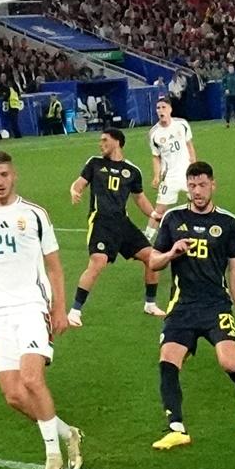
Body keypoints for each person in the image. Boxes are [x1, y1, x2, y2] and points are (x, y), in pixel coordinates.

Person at [0, 151, 82, 469]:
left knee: (31, 378)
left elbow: (54, 265)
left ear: (15, 176)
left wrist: (58, 307)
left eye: (4, 175)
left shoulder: (34, 214)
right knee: (14, 395)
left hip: (32, 306)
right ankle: (68, 433)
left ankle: (52, 454)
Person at [148, 161, 235, 449]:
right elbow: (153, 262)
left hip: (215, 306)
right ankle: (176, 427)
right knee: (168, 360)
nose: (197, 191)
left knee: (229, 362)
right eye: (193, 186)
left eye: (202, 185)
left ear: (213, 185)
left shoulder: (228, 223)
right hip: (182, 306)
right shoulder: (173, 219)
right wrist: (171, 252)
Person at [67, 128, 166, 326]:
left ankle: (150, 304)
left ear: (117, 142)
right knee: (98, 262)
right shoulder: (94, 163)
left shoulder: (132, 171)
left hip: (123, 223)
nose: (100, 143)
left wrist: (154, 214)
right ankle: (74, 311)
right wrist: (74, 191)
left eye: (105, 140)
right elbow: (79, 183)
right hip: (101, 221)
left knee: (152, 257)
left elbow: (139, 198)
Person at [144, 98, 197, 241]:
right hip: (170, 176)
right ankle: (147, 238)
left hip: (187, 173)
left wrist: (195, 167)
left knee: (197, 203)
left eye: (163, 107)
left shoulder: (182, 124)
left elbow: (189, 145)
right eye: (158, 108)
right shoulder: (154, 133)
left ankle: (196, 233)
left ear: (170, 109)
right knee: (160, 209)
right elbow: (156, 157)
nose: (160, 110)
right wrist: (156, 176)